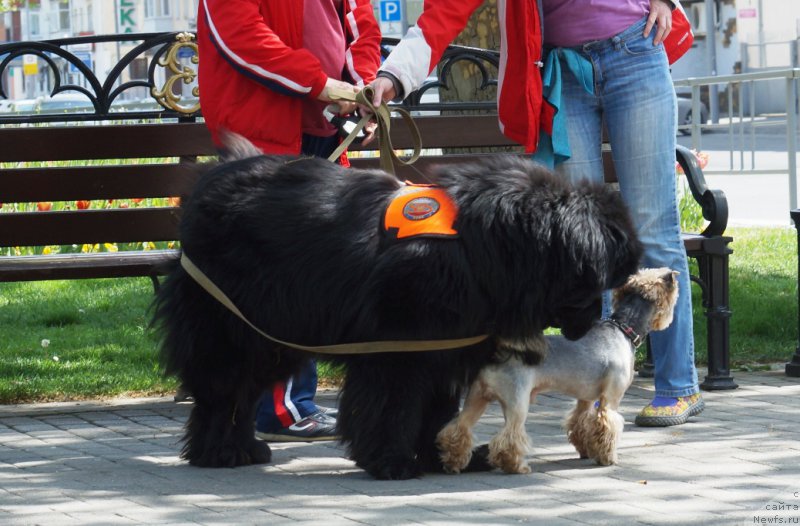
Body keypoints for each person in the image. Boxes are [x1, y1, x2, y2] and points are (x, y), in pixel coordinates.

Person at [367, 0, 703, 427]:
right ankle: (598, 397)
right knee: (588, 240)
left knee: (654, 228)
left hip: (636, 52)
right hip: (566, 71)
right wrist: (394, 75)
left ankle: (678, 387)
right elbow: (445, 10)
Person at [196, 0, 382, 441]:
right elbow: (242, 38)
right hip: (262, 135)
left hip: (323, 132)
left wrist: (362, 90)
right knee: (272, 278)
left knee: (313, 275)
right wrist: (321, 85)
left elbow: (361, 24)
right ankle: (275, 409)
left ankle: (294, 404)